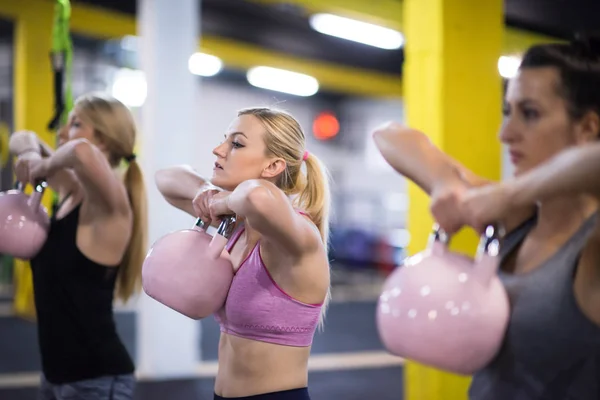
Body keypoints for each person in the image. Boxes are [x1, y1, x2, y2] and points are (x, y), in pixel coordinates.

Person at [373, 36, 600, 399]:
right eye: (508, 111)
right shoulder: (518, 221)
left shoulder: (590, 248)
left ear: (588, 128)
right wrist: (446, 182)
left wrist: (509, 192)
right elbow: (390, 136)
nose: (506, 133)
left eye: (530, 113)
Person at [155, 107, 331, 400]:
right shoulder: (238, 224)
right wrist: (206, 192)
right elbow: (166, 179)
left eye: (235, 144)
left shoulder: (298, 235)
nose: (218, 150)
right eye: (225, 140)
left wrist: (223, 203)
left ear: (273, 166)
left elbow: (257, 196)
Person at [9, 92, 147, 400]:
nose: (61, 133)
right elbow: (22, 137)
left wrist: (41, 166)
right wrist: (33, 155)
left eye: (75, 123)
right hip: (54, 377)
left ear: (104, 140)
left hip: (96, 380)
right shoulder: (71, 192)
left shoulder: (112, 207)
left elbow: (81, 152)